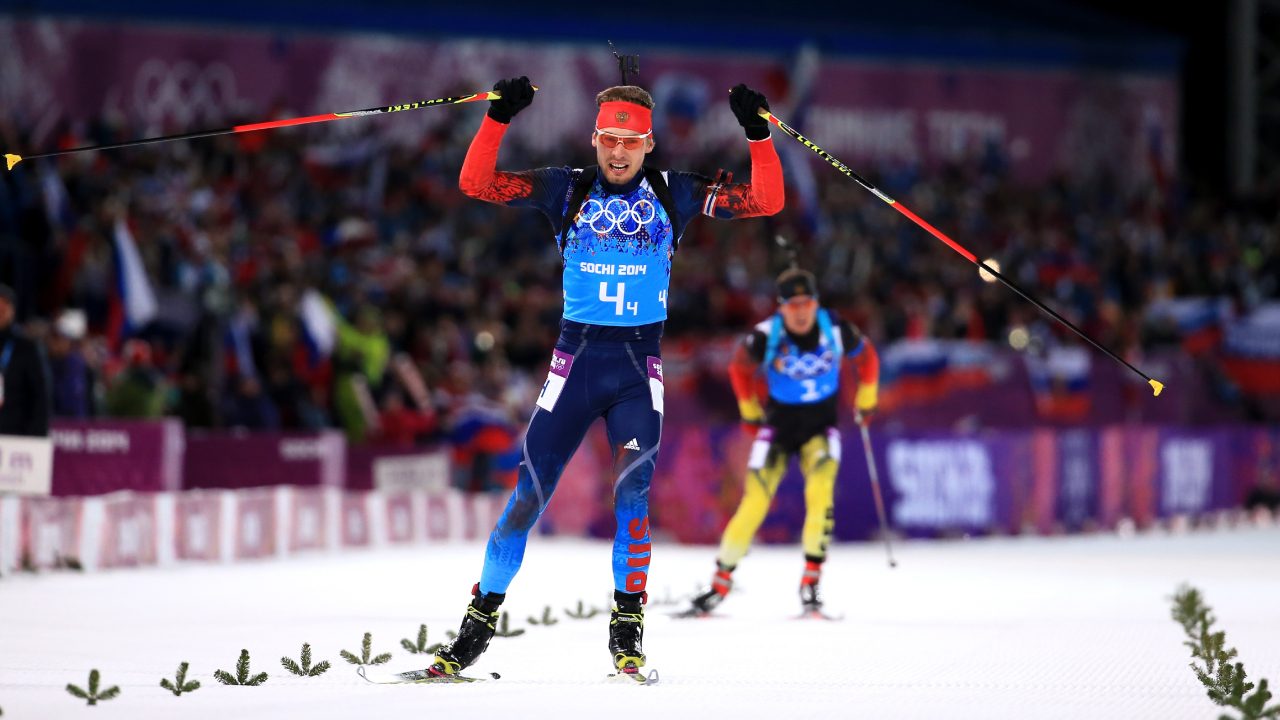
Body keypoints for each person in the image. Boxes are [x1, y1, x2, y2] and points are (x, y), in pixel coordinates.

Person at [429, 76, 784, 678]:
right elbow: (475, 183)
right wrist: (497, 119)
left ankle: (627, 629)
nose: (618, 152)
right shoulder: (565, 189)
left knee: (632, 495)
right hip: (573, 369)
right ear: (595, 140)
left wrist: (758, 134)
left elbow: (766, 201)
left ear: (649, 146)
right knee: (526, 498)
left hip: (635, 372)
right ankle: (475, 627)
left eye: (631, 141)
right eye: (609, 139)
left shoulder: (675, 192)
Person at [683, 266, 879, 617]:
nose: (800, 312)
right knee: (754, 502)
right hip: (777, 429)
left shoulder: (835, 328)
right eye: (793, 305)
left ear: (815, 304)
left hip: (820, 430)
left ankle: (810, 584)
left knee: (820, 497)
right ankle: (719, 583)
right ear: (781, 307)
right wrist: (748, 411)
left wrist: (867, 399)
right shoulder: (767, 333)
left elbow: (868, 359)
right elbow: (739, 369)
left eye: (806, 304)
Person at [0, 283, 51, 436]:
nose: (0, 310)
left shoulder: (27, 347)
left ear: (12, 311)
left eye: (4, 306)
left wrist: (36, 436)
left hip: (16, 437)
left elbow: (41, 395)